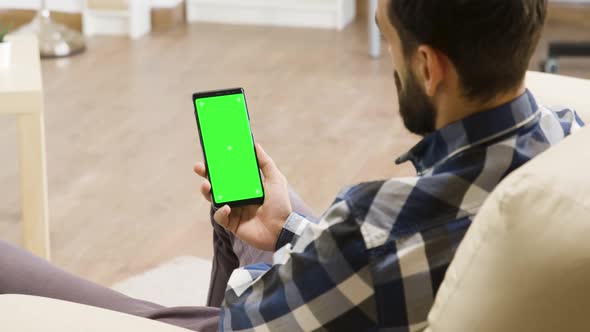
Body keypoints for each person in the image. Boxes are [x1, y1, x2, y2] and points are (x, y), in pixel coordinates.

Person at [0, 0, 584, 331]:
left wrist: (286, 258)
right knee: (252, 222)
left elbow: (246, 316)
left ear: (429, 67)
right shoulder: (570, 141)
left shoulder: (374, 227)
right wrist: (291, 231)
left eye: (391, 43)